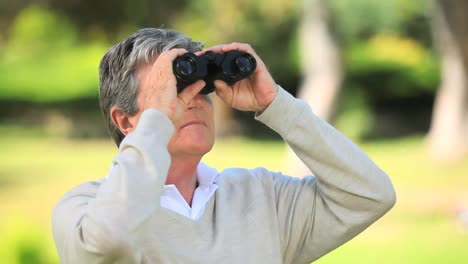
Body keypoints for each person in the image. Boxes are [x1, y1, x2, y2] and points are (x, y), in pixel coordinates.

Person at [52, 28, 396, 264]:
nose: (194, 100)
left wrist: (277, 105)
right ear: (126, 121)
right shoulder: (85, 209)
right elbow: (112, 239)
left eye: (201, 87)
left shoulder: (262, 198)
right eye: (172, 90)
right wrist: (158, 118)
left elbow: (369, 195)